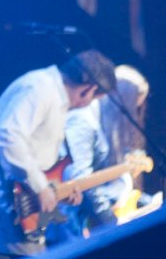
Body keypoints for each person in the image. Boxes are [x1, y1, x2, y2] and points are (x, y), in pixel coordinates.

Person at [0, 50, 116, 256]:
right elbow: (7, 136)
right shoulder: (40, 88)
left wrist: (59, 191)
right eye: (96, 99)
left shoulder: (53, 97)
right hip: (1, 205)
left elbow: (37, 159)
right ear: (89, 90)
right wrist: (40, 187)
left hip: (20, 210)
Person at [64, 65, 151, 233]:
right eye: (132, 108)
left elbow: (107, 185)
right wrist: (112, 225)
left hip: (90, 215)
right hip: (71, 222)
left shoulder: (102, 122)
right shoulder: (83, 120)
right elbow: (81, 181)